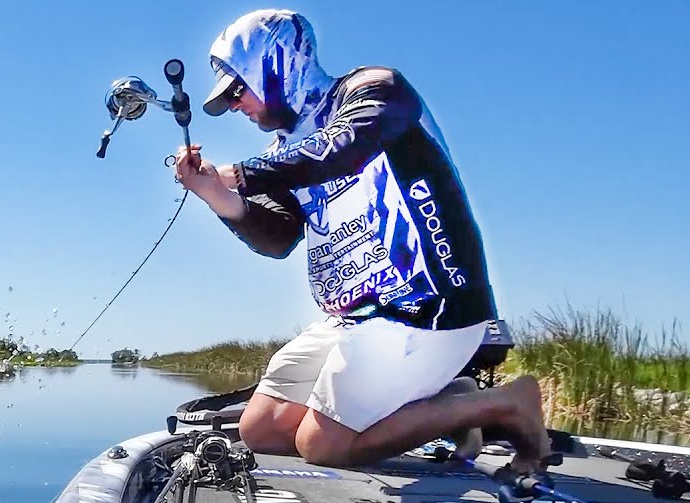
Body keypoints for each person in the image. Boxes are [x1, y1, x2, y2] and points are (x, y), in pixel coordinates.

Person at [173, 8, 550, 472]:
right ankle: (451, 401)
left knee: (322, 447)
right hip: (354, 321)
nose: (235, 105)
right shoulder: (285, 154)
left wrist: (241, 175)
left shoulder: (375, 89)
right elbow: (278, 238)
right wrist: (213, 192)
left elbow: (345, 149)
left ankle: (506, 403)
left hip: (431, 310)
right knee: (262, 430)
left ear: (277, 66)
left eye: (237, 90)